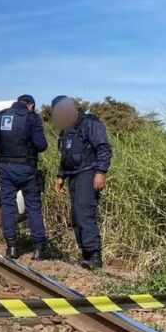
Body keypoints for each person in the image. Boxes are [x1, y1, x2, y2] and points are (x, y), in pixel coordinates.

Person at [0, 94, 49, 260]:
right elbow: (42, 145)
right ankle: (38, 250)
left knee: (7, 205)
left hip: (5, 168)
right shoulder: (31, 118)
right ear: (30, 105)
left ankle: (12, 248)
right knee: (33, 207)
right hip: (26, 168)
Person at [50, 96, 112, 269]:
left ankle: (94, 256)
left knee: (85, 213)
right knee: (76, 216)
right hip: (73, 175)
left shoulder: (90, 123)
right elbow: (66, 155)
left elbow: (103, 148)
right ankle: (85, 254)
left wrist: (101, 172)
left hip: (88, 172)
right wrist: (60, 175)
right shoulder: (67, 128)